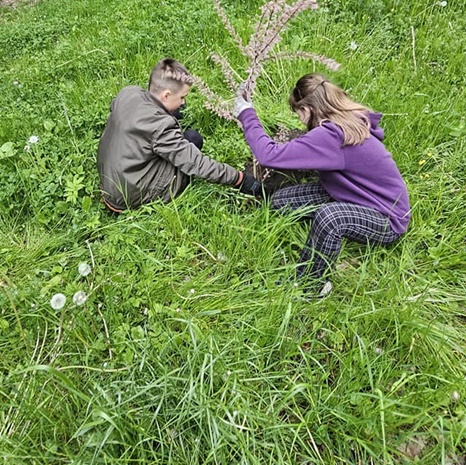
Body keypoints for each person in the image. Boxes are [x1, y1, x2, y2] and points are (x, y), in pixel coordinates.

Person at [233, 73, 410, 294]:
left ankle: (313, 282)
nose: (299, 120)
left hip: (387, 217)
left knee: (330, 217)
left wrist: (246, 113)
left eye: (298, 114)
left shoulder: (331, 137)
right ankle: (308, 243)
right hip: (351, 193)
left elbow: (268, 155)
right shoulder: (344, 121)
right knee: (280, 201)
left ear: (307, 110)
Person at [98, 58, 257, 211]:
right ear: (166, 95)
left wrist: (166, 111)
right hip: (130, 195)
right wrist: (238, 179)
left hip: (110, 182)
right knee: (193, 139)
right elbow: (196, 163)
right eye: (182, 97)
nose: (183, 103)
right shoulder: (161, 127)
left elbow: (126, 112)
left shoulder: (128, 93)